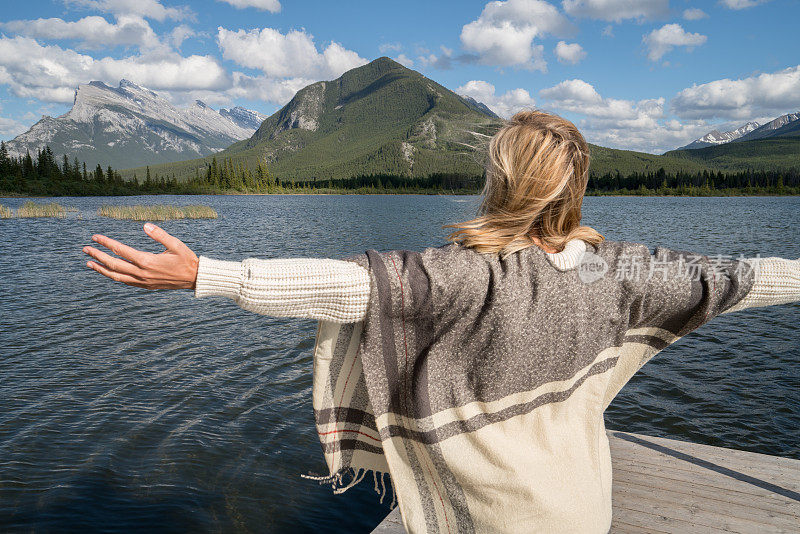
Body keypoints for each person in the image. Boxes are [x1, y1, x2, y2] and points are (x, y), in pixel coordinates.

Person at [83, 110, 799, 533]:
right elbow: (742, 276)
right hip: (584, 512)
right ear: (575, 185)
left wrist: (208, 274)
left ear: (501, 179)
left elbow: (340, 288)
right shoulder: (618, 271)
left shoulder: (458, 275)